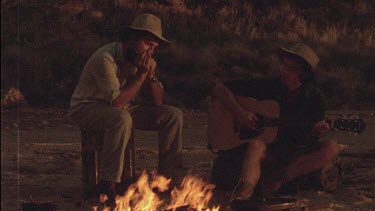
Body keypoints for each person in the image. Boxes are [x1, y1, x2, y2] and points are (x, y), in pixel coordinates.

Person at [70, 13, 183, 205]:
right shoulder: (106, 58)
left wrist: (150, 76)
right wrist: (140, 75)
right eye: (148, 43)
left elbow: (157, 102)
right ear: (132, 40)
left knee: (173, 115)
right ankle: (108, 184)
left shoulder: (142, 61)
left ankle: (166, 180)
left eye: (154, 47)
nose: (151, 51)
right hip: (88, 107)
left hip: (123, 107)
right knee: (122, 118)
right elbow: (116, 103)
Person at [210, 43, 340, 200]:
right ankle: (243, 195)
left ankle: (277, 181)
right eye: (284, 65)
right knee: (256, 145)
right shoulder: (269, 85)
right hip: (266, 149)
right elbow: (220, 88)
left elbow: (306, 138)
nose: (284, 70)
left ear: (304, 74)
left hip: (291, 152)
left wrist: (315, 132)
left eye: (291, 68)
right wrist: (241, 114)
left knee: (331, 147)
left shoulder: (315, 99)